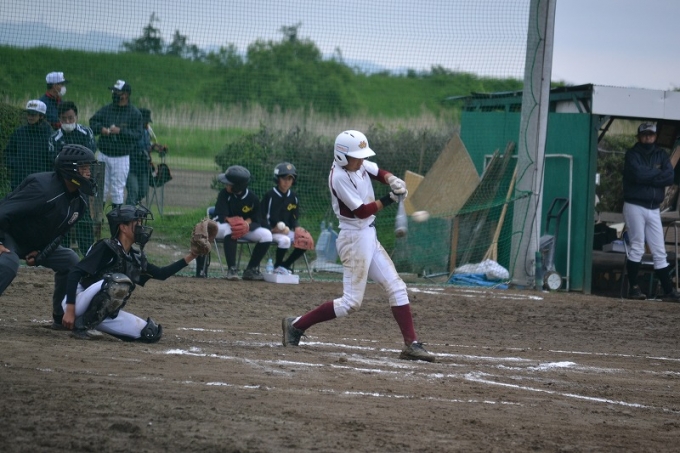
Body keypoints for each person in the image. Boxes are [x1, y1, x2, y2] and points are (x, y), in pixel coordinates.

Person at [281, 130, 435, 362]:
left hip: (368, 234)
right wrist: (390, 198)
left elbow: (378, 171)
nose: (361, 161)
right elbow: (361, 211)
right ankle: (296, 325)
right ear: (342, 156)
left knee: (396, 287)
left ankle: (411, 344)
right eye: (357, 157)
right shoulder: (339, 177)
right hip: (353, 237)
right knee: (351, 303)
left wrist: (392, 179)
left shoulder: (358, 163)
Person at [60, 204, 199, 341]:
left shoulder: (134, 257)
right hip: (78, 301)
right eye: (136, 223)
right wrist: (70, 310)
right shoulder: (106, 247)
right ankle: (82, 327)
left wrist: (192, 255)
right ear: (123, 227)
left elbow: (162, 273)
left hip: (101, 312)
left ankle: (89, 322)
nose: (141, 227)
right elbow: (74, 273)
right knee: (117, 282)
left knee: (150, 332)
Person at [0, 144, 97, 329]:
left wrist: (42, 254)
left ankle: (60, 317)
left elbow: (60, 233)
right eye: (84, 167)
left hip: (34, 244)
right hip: (9, 235)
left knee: (70, 261)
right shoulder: (43, 189)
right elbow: (3, 211)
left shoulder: (80, 201)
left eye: (88, 168)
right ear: (70, 170)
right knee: (8, 264)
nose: (89, 173)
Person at [623, 122, 680, 302]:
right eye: (645, 134)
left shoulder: (661, 154)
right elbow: (637, 175)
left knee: (659, 250)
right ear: (639, 136)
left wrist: (648, 176)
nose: (648, 137)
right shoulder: (632, 154)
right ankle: (633, 288)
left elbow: (669, 177)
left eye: (651, 134)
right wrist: (657, 175)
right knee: (637, 246)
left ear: (655, 136)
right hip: (634, 205)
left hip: (654, 207)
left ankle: (669, 291)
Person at [48, 101, 97, 256]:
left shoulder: (86, 133)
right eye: (64, 119)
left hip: (82, 182)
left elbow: (90, 155)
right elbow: (53, 160)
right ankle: (64, 252)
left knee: (83, 215)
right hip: (62, 183)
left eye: (70, 118)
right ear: (59, 119)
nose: (68, 121)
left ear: (76, 116)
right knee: (63, 215)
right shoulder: (54, 138)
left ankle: (88, 252)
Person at [212, 165, 272, 281]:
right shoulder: (224, 194)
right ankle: (232, 269)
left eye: (229, 183)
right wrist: (233, 221)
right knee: (232, 228)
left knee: (266, 235)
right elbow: (221, 216)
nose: (226, 185)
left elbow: (257, 218)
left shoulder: (252, 198)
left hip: (243, 228)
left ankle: (250, 270)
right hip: (220, 227)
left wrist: (246, 224)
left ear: (238, 186)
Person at [89, 79, 143, 209]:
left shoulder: (134, 113)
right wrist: (101, 129)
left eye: (117, 92)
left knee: (117, 190)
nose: (114, 94)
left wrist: (121, 131)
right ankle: (97, 217)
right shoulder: (107, 109)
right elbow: (93, 122)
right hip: (103, 154)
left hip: (122, 157)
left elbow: (138, 134)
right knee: (100, 187)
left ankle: (116, 218)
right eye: (114, 91)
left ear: (126, 94)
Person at [261, 162, 308, 274]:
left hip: (286, 231)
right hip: (270, 231)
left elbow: (294, 218)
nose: (287, 182)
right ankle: (277, 265)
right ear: (277, 179)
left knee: (304, 241)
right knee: (285, 240)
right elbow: (262, 216)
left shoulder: (293, 197)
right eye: (284, 178)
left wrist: (297, 228)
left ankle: (285, 265)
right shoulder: (270, 195)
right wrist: (272, 229)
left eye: (290, 179)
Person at [4, 100, 54, 190]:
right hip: (19, 180)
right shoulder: (19, 132)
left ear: (41, 116)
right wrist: (15, 164)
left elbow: (53, 159)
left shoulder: (50, 135)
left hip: (41, 181)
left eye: (33, 114)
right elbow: (8, 152)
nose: (30, 117)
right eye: (28, 114)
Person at [125, 108, 153, 205]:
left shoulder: (146, 132)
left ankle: (131, 206)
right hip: (131, 166)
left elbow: (147, 146)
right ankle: (129, 211)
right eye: (146, 121)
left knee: (143, 190)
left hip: (143, 166)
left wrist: (153, 148)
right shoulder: (131, 132)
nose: (147, 124)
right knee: (133, 190)